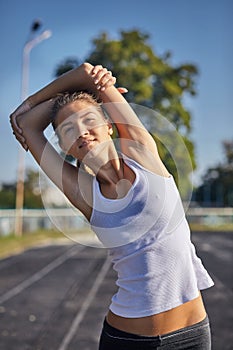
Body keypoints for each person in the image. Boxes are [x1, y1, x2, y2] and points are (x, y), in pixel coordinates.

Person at [10, 62, 214, 349]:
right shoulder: (86, 195)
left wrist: (38, 99)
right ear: (65, 147)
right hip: (128, 340)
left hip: (192, 335)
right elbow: (29, 124)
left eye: (89, 121)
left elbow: (86, 71)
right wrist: (72, 96)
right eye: (68, 130)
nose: (81, 132)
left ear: (109, 126)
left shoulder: (142, 153)